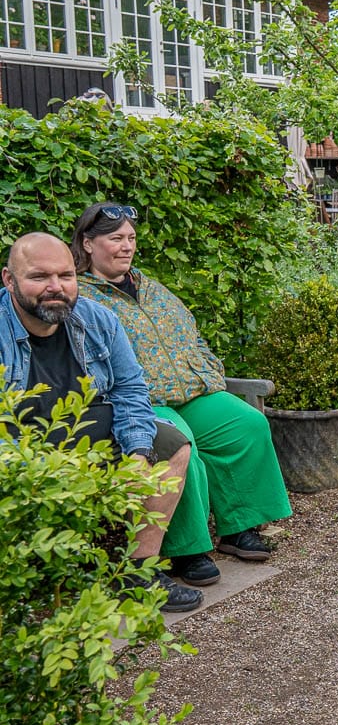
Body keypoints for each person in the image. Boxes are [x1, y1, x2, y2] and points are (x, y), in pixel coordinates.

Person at [72, 203, 290, 587]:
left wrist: (207, 369)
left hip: (191, 390)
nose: (126, 246)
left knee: (248, 424)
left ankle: (238, 527)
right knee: (179, 445)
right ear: (88, 244)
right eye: (115, 238)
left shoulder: (151, 287)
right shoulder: (83, 298)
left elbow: (191, 333)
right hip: (140, 401)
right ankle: (186, 549)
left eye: (131, 238)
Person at [2, 233, 201, 612]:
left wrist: (138, 451)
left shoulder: (97, 320)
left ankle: (137, 571)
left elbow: (130, 389)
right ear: (9, 280)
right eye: (39, 277)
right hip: (20, 448)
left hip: (90, 435)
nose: (55, 288)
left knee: (172, 446)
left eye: (65, 275)